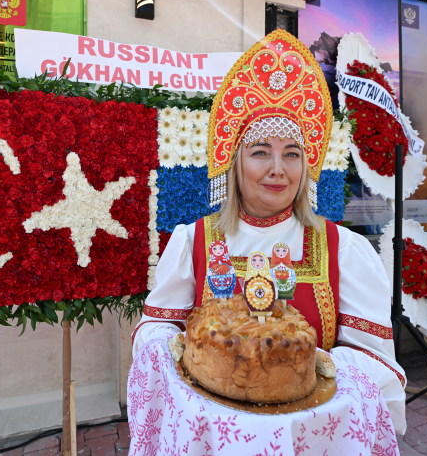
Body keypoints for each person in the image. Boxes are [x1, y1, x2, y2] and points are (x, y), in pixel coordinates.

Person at [131, 29, 406, 434]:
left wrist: (290, 366)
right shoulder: (195, 240)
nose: (278, 168)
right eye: (260, 152)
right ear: (234, 163)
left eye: (292, 154)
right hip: (214, 435)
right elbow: (155, 331)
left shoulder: (343, 249)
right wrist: (182, 351)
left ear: (306, 168)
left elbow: (376, 362)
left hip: (311, 434)